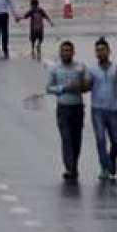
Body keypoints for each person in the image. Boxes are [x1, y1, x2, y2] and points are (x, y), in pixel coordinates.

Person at [86, 38, 117, 180]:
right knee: (100, 139)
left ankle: (112, 159)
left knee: (116, 141)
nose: (100, 53)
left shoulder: (116, 68)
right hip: (97, 109)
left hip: (113, 110)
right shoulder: (92, 70)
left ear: (109, 51)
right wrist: (85, 83)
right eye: (98, 50)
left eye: (103, 50)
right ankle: (104, 167)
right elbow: (87, 87)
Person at [46, 41, 89, 181]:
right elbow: (49, 88)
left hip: (77, 106)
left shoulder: (80, 68)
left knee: (76, 139)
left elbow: (87, 86)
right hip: (63, 108)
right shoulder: (55, 69)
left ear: (73, 52)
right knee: (66, 138)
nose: (66, 53)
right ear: (60, 53)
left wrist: (80, 86)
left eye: (68, 51)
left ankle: (74, 164)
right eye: (63, 51)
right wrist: (64, 88)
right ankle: (69, 167)